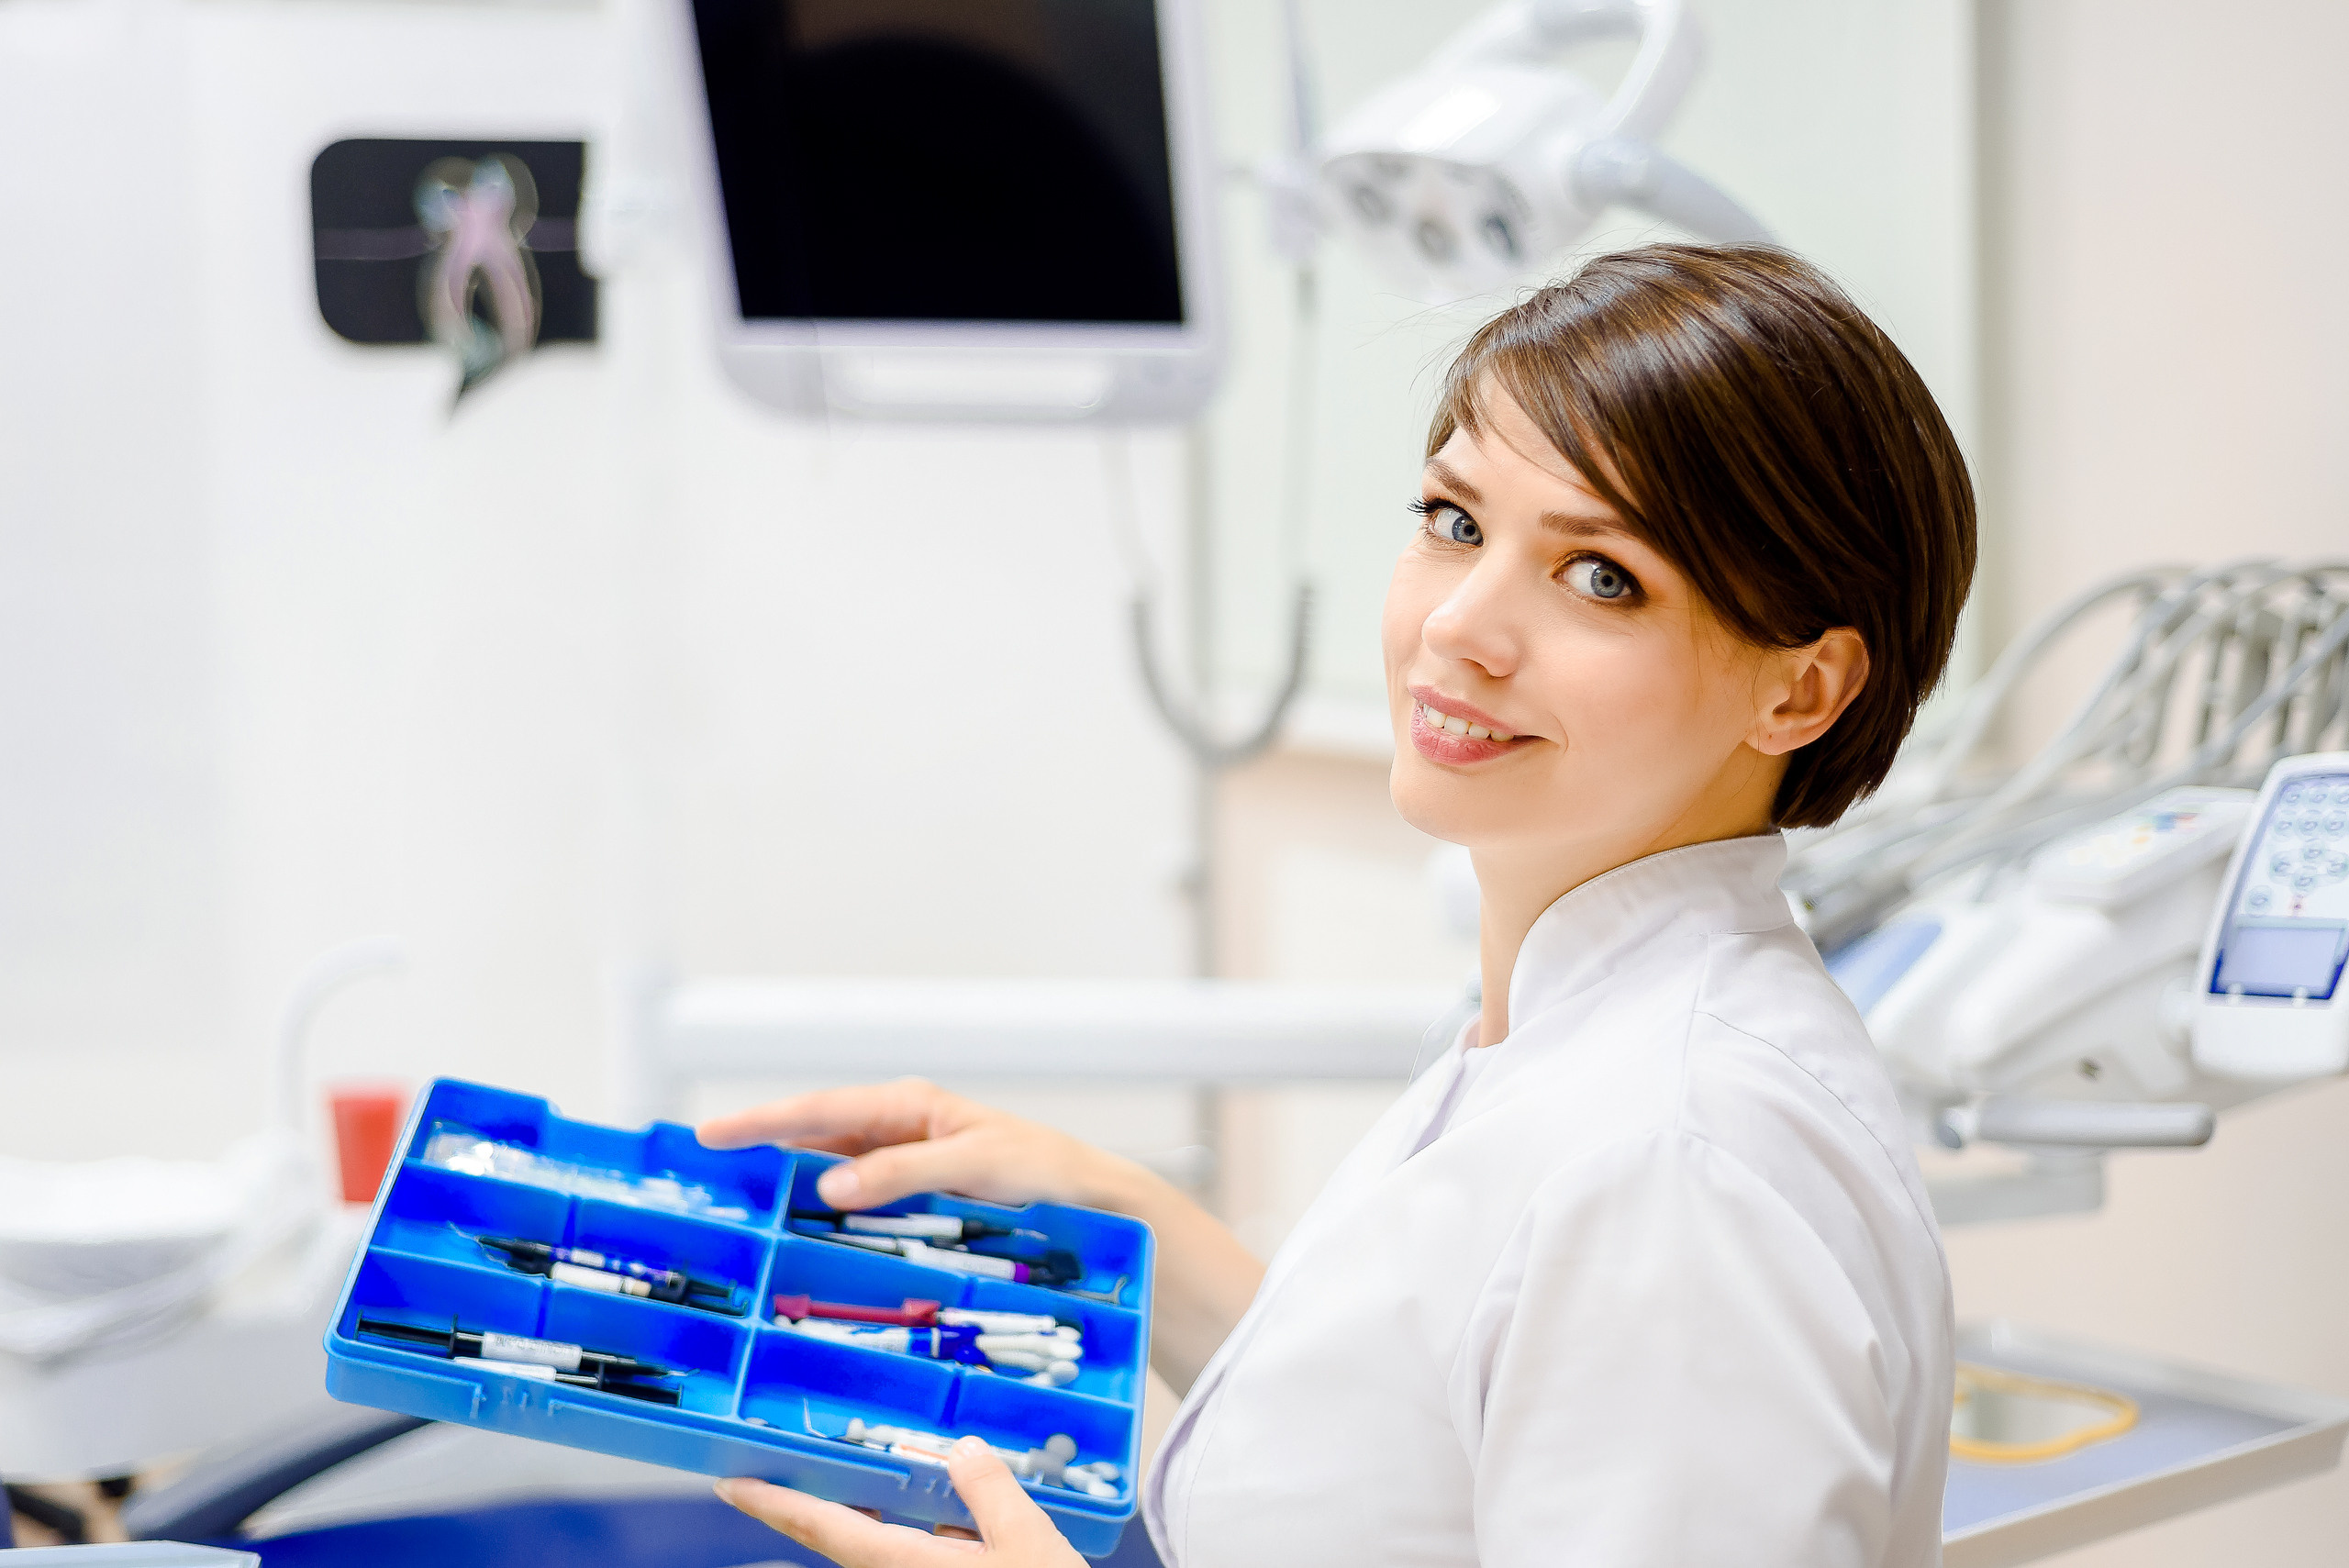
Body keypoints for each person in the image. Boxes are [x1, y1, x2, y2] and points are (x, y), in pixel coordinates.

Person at [697, 243, 1976, 1568]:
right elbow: (1407, 1446)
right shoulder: (1577, 1034)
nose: (1459, 626)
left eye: (1601, 575)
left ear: (1800, 691)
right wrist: (1106, 1203)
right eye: (1455, 522)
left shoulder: (1673, 1165)